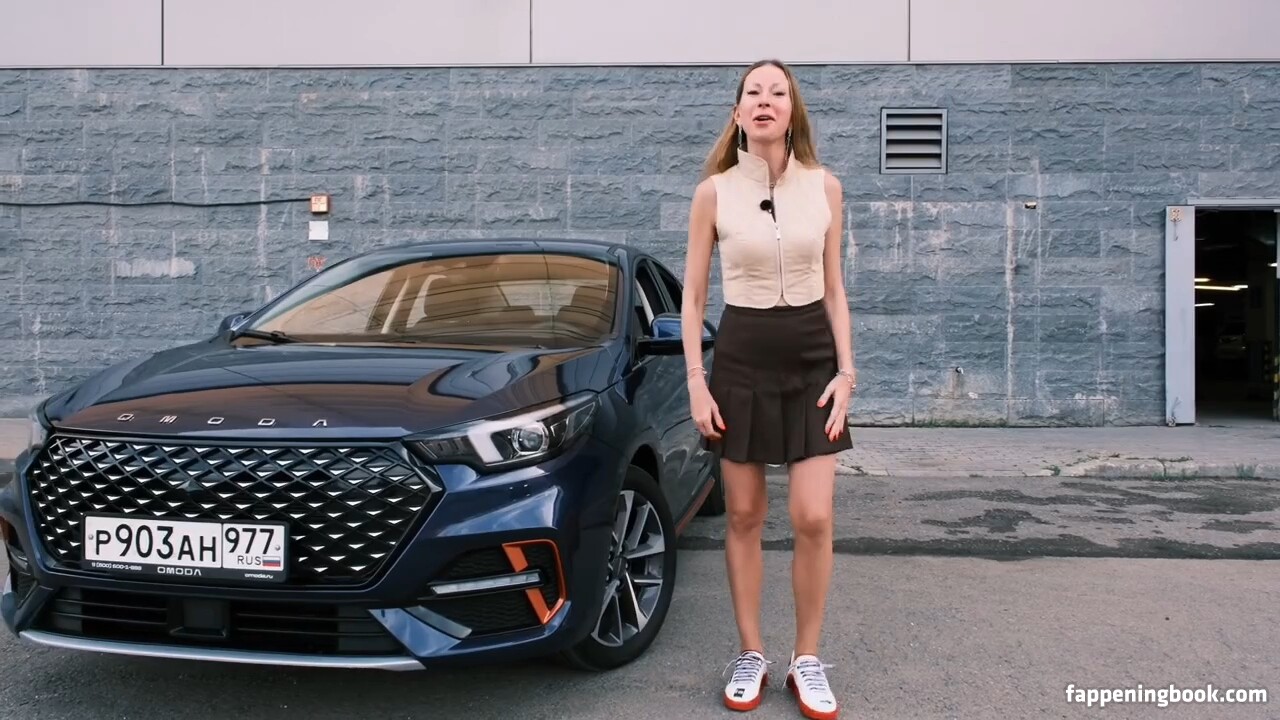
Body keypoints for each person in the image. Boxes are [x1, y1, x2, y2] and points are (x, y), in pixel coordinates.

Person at [681, 58, 855, 719]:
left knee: (813, 515)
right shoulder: (714, 192)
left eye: (777, 92)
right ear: (737, 114)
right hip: (741, 361)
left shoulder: (826, 187)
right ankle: (751, 651)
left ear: (791, 111)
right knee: (746, 515)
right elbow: (693, 296)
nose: (764, 100)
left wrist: (847, 373)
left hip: (812, 360)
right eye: (752, 92)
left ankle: (806, 659)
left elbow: (834, 289)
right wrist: (696, 382)